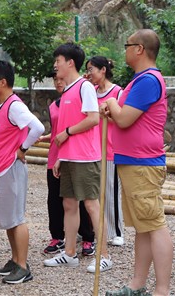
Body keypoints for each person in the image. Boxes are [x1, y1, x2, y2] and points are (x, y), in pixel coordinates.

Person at [101, 30, 173, 296]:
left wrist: (111, 102)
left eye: (127, 45)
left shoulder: (147, 80)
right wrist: (113, 109)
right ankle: (137, 284)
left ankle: (162, 290)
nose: (125, 50)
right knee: (144, 226)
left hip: (143, 163)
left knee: (154, 224)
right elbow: (126, 117)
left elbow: (124, 119)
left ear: (139, 49)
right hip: (134, 161)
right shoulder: (141, 80)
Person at [43, 43, 112, 274]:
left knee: (91, 205)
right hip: (69, 158)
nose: (55, 65)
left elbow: (93, 118)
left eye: (58, 61)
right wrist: (61, 157)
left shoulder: (85, 87)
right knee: (69, 205)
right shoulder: (67, 91)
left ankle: (104, 256)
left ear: (70, 62)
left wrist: (67, 132)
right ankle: (70, 253)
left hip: (85, 158)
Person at [0, 60, 44, 285]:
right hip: (1, 167)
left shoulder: (14, 105)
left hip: (11, 167)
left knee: (17, 218)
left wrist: (22, 149)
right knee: (8, 218)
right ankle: (15, 260)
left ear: (2, 82)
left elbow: (38, 127)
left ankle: (23, 266)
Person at [39, 72, 96, 256]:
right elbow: (58, 131)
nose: (58, 82)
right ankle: (58, 237)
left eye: (61, 79)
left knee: (82, 200)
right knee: (55, 200)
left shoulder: (79, 96)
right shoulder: (54, 106)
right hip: (56, 155)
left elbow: (87, 122)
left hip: (76, 155)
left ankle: (88, 238)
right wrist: (46, 137)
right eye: (55, 79)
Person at [87, 56, 125, 247]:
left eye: (91, 69)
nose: (89, 73)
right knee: (94, 191)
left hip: (111, 148)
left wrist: (105, 116)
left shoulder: (118, 92)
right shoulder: (90, 91)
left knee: (111, 190)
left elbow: (123, 119)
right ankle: (97, 230)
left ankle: (116, 231)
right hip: (92, 148)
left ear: (103, 70)